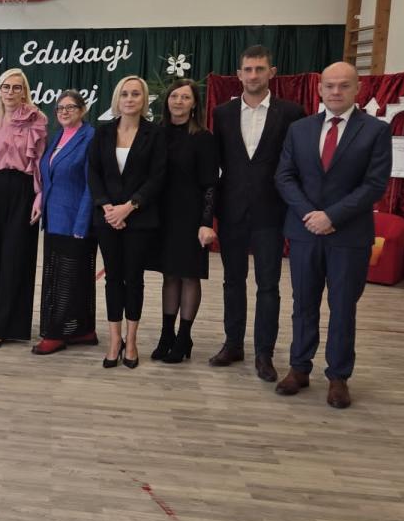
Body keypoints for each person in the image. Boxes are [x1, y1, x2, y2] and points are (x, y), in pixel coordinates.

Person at [274, 61, 391, 409]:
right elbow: (284, 176)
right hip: (305, 231)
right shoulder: (299, 129)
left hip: (348, 235)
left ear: (358, 89)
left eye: (344, 85)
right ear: (320, 89)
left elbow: (375, 184)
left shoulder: (375, 131)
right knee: (303, 304)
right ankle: (299, 368)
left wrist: (332, 216)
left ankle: (338, 376)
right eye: (329, 85)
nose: (336, 91)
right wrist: (310, 215)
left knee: (342, 308)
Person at [209, 45, 306, 382]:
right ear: (239, 74)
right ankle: (233, 344)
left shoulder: (291, 113)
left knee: (268, 285)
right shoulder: (222, 113)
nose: (253, 75)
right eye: (248, 69)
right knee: (232, 281)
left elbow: (297, 165)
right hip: (232, 211)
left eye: (259, 69)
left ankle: (264, 353)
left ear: (271, 72)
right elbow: (217, 166)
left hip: (271, 212)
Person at [87, 75, 166, 370]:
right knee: (112, 279)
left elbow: (157, 177)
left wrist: (129, 207)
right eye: (125, 94)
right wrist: (107, 206)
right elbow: (93, 172)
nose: (130, 99)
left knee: (133, 279)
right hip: (107, 217)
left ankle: (131, 341)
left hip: (139, 218)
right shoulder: (103, 132)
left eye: (135, 94)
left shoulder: (155, 134)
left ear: (144, 99)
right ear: (117, 99)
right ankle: (114, 340)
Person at [0, 68, 47, 351]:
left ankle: (7, 327)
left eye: (16, 87)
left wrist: (39, 198)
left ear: (24, 91)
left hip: (24, 191)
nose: (11, 92)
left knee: (18, 257)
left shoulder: (38, 120)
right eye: (6, 87)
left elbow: (41, 163)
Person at [151, 79, 218, 364]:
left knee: (189, 275)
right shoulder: (156, 133)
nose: (178, 101)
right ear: (167, 101)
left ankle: (184, 336)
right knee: (169, 275)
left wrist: (206, 222)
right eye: (174, 96)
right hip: (163, 216)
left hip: (191, 216)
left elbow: (210, 184)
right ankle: (166, 334)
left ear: (194, 104)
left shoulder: (203, 137)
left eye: (185, 97)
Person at [33, 89, 97, 355]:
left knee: (65, 281)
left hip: (75, 221)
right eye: (60, 108)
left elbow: (91, 185)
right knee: (68, 278)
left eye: (71, 107)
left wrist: (82, 224)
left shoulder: (90, 137)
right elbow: (49, 175)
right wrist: (40, 201)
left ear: (83, 110)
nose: (64, 112)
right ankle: (82, 330)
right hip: (54, 219)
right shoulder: (58, 136)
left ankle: (56, 334)